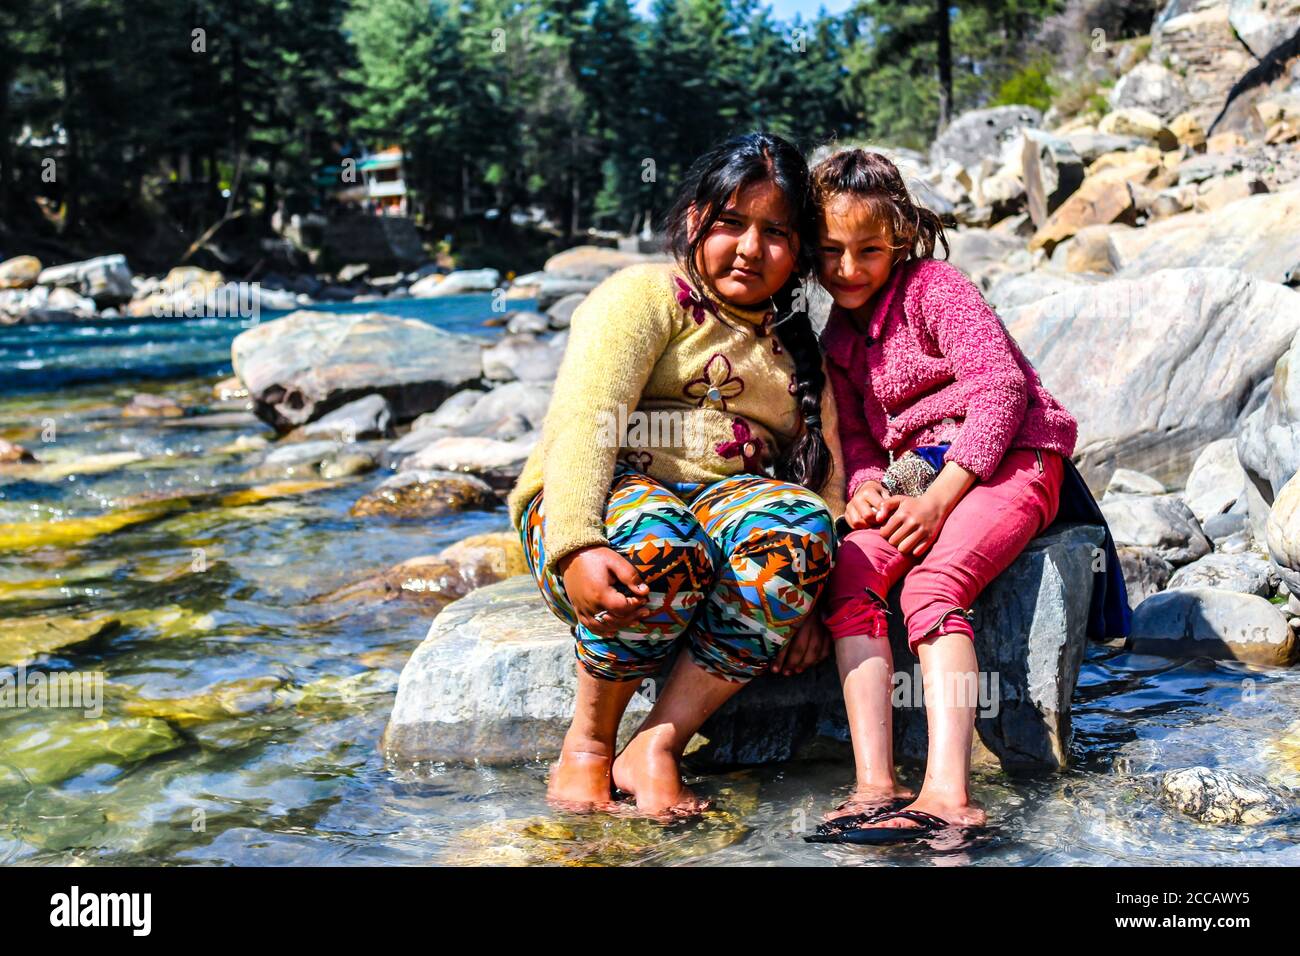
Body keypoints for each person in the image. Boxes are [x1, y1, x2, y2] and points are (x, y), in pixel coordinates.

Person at [506, 132, 847, 818]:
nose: (751, 248)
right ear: (695, 220)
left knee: (800, 528)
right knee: (664, 540)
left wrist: (813, 599)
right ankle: (589, 747)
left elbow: (829, 482)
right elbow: (586, 419)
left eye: (776, 232)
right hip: (603, 501)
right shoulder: (644, 295)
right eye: (731, 224)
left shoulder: (796, 348)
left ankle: (657, 744)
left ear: (799, 250)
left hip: (723, 504)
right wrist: (575, 542)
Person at [809, 148, 1079, 842]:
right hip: (916, 475)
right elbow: (866, 443)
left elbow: (1000, 390)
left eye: (868, 249)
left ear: (901, 238)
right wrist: (868, 491)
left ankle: (948, 793)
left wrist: (940, 499)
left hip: (1011, 458)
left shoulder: (938, 288)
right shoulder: (839, 336)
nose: (847, 267)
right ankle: (875, 783)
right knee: (849, 575)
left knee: (930, 587)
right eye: (831, 250)